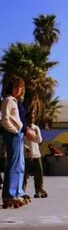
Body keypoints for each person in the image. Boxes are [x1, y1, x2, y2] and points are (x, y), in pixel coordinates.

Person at [1, 76, 33, 208]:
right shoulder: (8, 100)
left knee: (20, 165)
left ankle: (18, 192)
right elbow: (4, 119)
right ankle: (9, 193)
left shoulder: (15, 101)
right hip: (12, 134)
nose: (18, 90)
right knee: (13, 165)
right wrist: (14, 130)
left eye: (20, 87)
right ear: (11, 88)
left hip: (18, 135)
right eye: (16, 87)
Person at [23, 111, 47, 198]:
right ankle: (22, 190)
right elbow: (21, 141)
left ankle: (39, 188)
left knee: (39, 172)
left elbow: (39, 141)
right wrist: (26, 148)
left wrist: (36, 133)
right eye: (30, 117)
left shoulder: (36, 128)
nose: (31, 119)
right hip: (27, 154)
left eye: (33, 117)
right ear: (26, 118)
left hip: (36, 153)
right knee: (25, 173)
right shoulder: (23, 128)